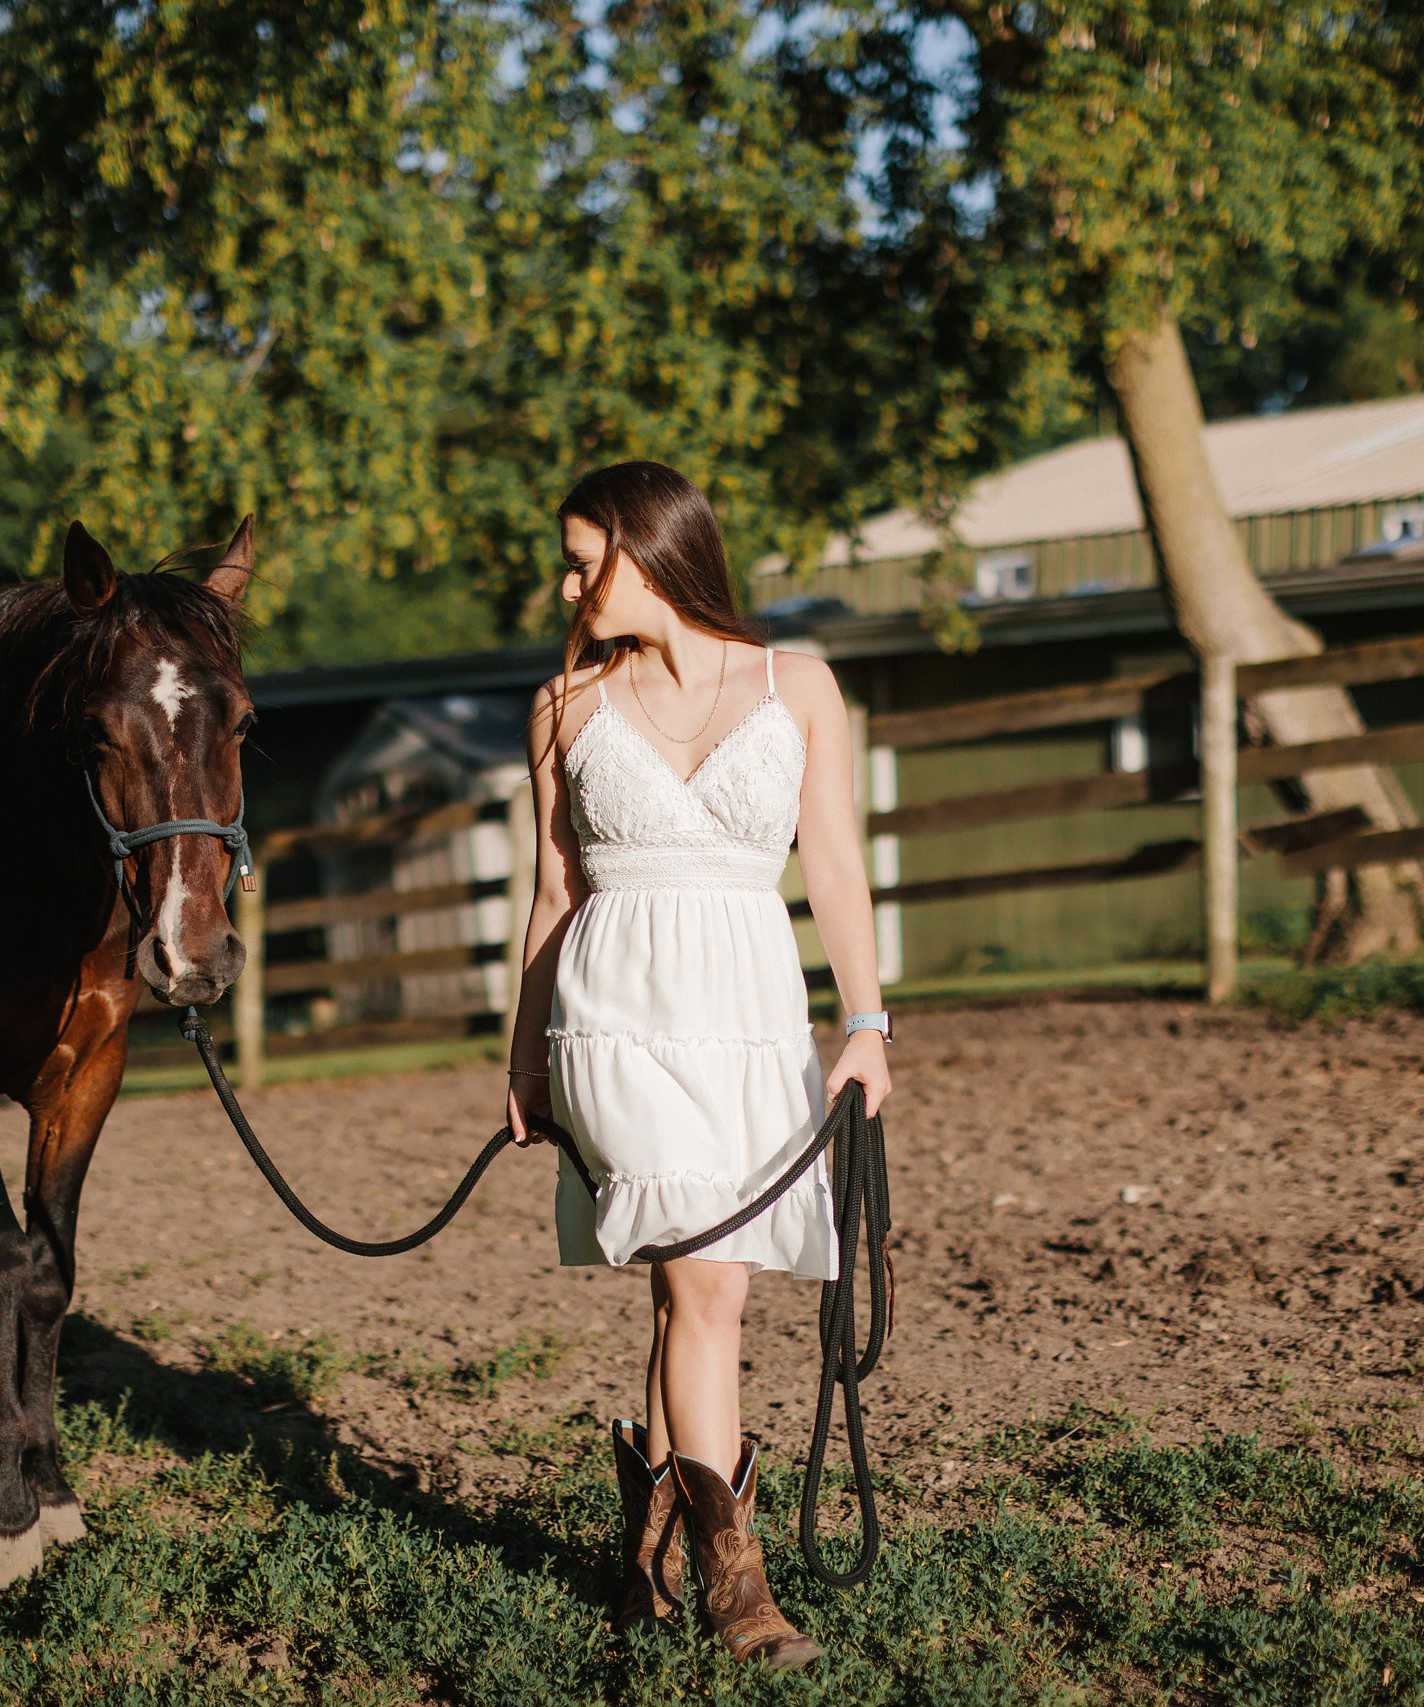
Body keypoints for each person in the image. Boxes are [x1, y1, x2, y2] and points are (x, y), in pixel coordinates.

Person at [505, 460, 892, 1669]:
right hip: (610, 1015)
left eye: (584, 558)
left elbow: (830, 862)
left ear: (653, 550)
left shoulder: (799, 687)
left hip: (749, 1014)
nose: (567, 584)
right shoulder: (563, 706)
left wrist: (869, 1024)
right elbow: (553, 890)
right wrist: (523, 1056)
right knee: (709, 1284)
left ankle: (647, 1560)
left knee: (687, 1290)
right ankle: (744, 1599)